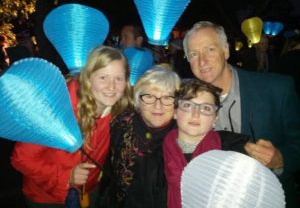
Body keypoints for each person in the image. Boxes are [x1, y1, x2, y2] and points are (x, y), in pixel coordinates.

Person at [183, 21, 300, 208]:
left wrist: (280, 159)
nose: (202, 61)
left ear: (226, 51)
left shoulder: (277, 90)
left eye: (210, 49)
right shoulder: (184, 104)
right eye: (193, 54)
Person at [11, 46, 133, 208]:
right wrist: (67, 176)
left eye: (119, 79)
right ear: (88, 78)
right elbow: (21, 158)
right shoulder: (56, 109)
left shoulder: (118, 110)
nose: (111, 87)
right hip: (47, 198)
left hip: (88, 191)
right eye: (103, 77)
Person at [99, 65, 181, 208]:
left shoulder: (184, 136)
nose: (158, 105)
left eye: (167, 98)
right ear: (138, 100)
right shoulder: (120, 124)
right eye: (149, 96)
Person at [163, 79, 250, 208]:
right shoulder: (154, 158)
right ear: (175, 112)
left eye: (206, 108)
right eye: (187, 105)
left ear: (215, 118)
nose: (195, 114)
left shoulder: (237, 153)